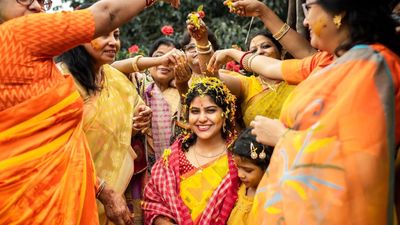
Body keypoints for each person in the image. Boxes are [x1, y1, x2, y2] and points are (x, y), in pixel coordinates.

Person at [209, 0, 400, 224]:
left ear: (339, 11)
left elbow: (361, 160)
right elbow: (271, 68)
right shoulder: (328, 60)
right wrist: (232, 52)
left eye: (309, 8)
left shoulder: (373, 67)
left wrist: (282, 137)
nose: (306, 20)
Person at [0, 0, 179, 224]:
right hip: (37, 204)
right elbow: (107, 13)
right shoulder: (17, 35)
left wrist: (103, 190)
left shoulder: (39, 66)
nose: (37, 6)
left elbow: (60, 145)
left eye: (43, 0)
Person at [56, 3, 152, 223]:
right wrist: (103, 192)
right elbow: (61, 152)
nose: (113, 42)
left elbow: (134, 111)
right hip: (69, 195)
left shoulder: (114, 78)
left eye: (116, 35)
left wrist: (140, 118)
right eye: (102, 35)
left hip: (114, 198)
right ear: (78, 37)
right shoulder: (62, 82)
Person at [142, 77, 240, 225]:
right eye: (195, 111)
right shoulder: (175, 153)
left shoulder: (237, 158)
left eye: (210, 110)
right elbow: (153, 201)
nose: (201, 119)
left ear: (225, 113)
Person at [183, 20, 295, 128]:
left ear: (282, 51)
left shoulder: (298, 74)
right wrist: (202, 41)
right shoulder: (248, 84)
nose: (260, 52)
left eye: (265, 46)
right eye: (253, 51)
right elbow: (213, 78)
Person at [113, 37, 184, 169]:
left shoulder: (182, 89)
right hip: (142, 169)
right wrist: (160, 60)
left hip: (178, 169)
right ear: (150, 60)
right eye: (159, 56)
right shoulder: (139, 83)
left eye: (171, 59)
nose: (165, 63)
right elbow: (113, 68)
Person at [227, 128, 272, 225]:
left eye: (248, 170)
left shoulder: (270, 198)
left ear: (267, 167)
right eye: (237, 167)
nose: (240, 175)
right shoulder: (238, 187)